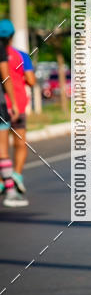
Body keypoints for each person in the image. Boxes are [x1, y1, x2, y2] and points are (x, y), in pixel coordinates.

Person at [0, 19, 35, 201]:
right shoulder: (21, 56)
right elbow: (31, 80)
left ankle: (3, 180)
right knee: (20, 143)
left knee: (1, 147)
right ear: (12, 36)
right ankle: (16, 175)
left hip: (2, 105)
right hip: (16, 105)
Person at [0, 27, 26, 207]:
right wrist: (14, 103)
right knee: (3, 150)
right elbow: (5, 77)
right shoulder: (4, 50)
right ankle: (10, 192)